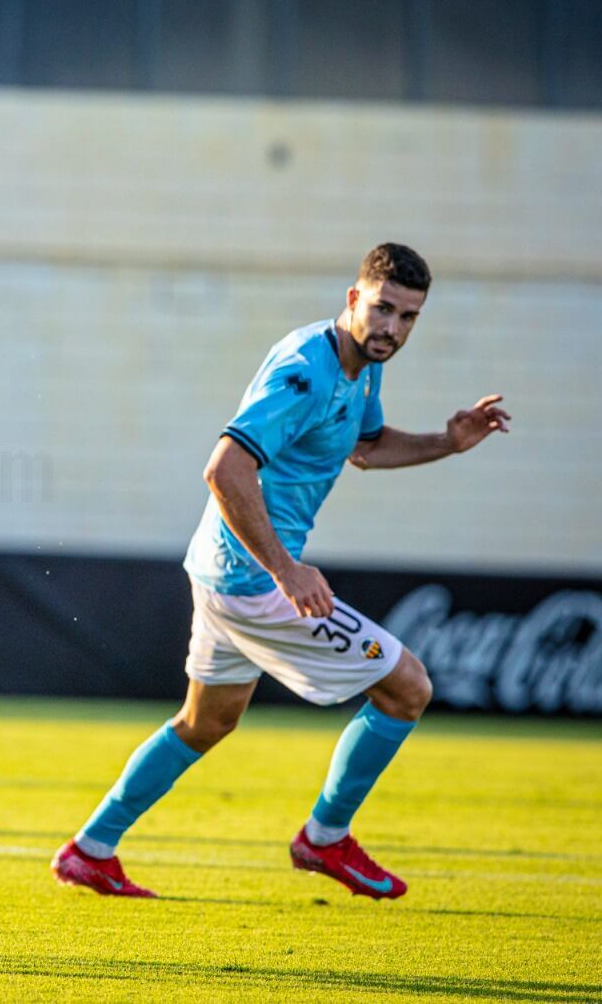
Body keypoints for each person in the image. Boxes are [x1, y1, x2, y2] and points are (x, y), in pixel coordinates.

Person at [51, 243, 511, 901]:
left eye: (408, 317)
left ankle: (90, 850)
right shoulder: (304, 371)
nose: (392, 328)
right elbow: (224, 469)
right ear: (353, 299)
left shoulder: (362, 369)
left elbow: (367, 448)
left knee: (205, 723)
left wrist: (448, 442)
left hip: (221, 570)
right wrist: (287, 571)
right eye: (383, 309)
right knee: (407, 687)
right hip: (253, 581)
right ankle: (325, 837)